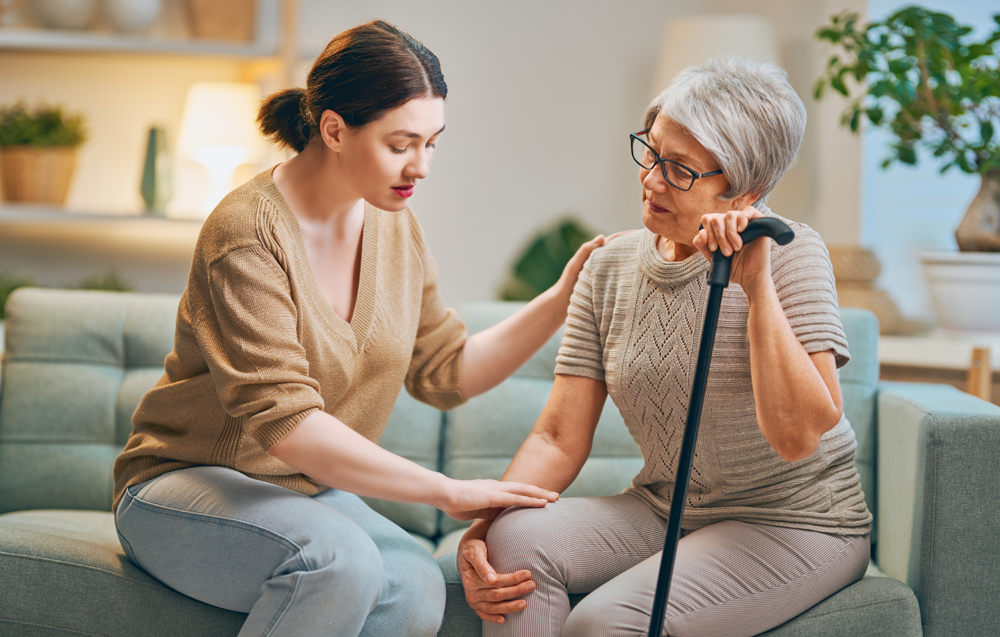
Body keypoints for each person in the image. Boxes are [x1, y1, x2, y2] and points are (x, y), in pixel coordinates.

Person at [112, 20, 610, 637]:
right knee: (336, 564)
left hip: (303, 496)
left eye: (432, 143)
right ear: (334, 130)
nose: (421, 166)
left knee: (413, 584)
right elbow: (285, 424)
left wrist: (561, 300)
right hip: (182, 485)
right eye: (401, 144)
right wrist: (445, 491)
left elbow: (445, 370)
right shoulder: (246, 234)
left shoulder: (394, 225)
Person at [458, 56, 873, 637]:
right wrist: (483, 533)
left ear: (745, 191)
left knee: (604, 622)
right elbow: (557, 435)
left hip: (793, 524)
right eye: (651, 153)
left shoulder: (793, 252)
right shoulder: (608, 268)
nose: (651, 179)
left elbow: (798, 436)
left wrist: (756, 286)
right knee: (517, 539)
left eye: (679, 169)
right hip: (664, 508)